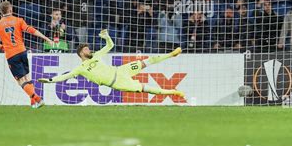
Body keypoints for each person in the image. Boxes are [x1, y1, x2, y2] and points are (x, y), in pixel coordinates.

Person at [38, 30, 185, 98]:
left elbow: (110, 45)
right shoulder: (80, 68)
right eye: (86, 49)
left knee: (145, 62)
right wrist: (49, 80)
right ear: (81, 53)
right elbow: (64, 77)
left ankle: (171, 54)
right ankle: (173, 92)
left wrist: (106, 36)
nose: (89, 49)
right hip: (117, 82)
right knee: (145, 88)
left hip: (122, 70)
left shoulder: (96, 55)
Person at [0, 1, 53, 108]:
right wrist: (46, 38)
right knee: (27, 77)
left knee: (21, 81)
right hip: (22, 51)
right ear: (10, 10)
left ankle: (38, 99)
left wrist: (1, 46)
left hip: (11, 55)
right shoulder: (18, 20)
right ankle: (33, 103)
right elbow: (31, 30)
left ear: (1, 11)